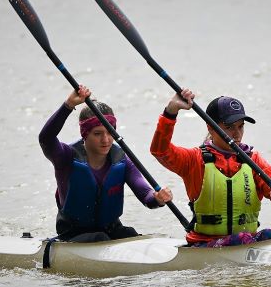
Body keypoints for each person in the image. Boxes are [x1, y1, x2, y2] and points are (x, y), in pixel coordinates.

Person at [150, 88, 271, 247]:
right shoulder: (194, 160)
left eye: (240, 126)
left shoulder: (253, 159)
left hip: (246, 242)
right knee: (242, 238)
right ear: (210, 128)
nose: (237, 134)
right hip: (206, 244)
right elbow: (160, 150)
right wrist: (171, 112)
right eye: (229, 127)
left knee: (268, 234)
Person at [39, 85, 173, 242]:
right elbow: (46, 138)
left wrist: (158, 198)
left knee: (129, 235)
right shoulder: (65, 157)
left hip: (110, 229)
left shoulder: (122, 159)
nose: (106, 139)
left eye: (110, 132)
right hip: (72, 234)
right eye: (97, 134)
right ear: (85, 134)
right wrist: (68, 106)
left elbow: (146, 196)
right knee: (99, 237)